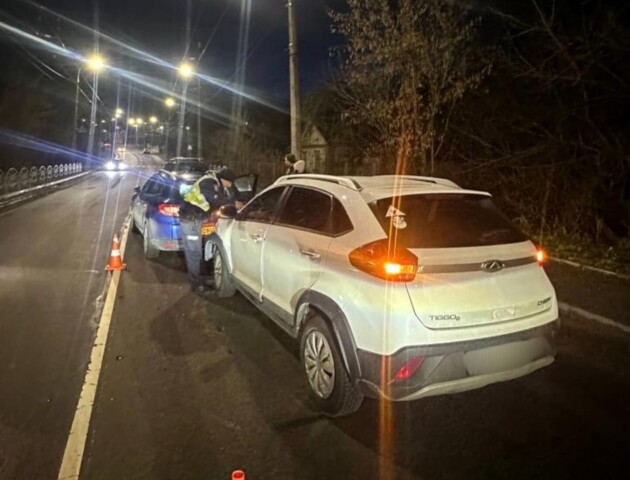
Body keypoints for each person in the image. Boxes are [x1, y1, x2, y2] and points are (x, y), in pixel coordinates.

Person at [179, 168, 243, 294]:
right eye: (230, 183)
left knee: (195, 252)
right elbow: (215, 199)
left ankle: (198, 280)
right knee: (194, 253)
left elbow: (219, 199)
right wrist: (234, 204)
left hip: (193, 220)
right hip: (191, 221)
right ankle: (196, 284)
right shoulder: (209, 182)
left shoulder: (214, 182)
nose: (230, 186)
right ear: (224, 179)